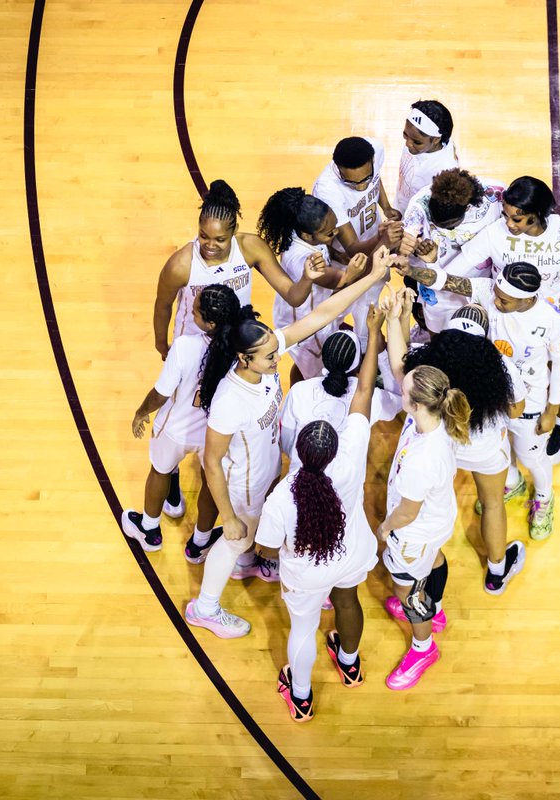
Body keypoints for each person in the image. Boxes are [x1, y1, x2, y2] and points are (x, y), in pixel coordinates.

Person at [183, 247, 393, 639]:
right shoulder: (229, 402)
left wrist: (370, 277)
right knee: (234, 539)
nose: (276, 358)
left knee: (244, 540)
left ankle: (244, 561)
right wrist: (227, 516)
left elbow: (323, 314)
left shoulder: (262, 351)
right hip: (242, 481)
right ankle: (205, 608)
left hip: (264, 470)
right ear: (244, 360)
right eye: (268, 357)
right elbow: (211, 463)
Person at [152, 180, 327, 517]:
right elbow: (162, 306)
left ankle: (209, 503)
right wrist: (162, 344)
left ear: (234, 231)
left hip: (232, 352)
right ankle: (171, 475)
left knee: (215, 428)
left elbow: (293, 295)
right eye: (204, 236)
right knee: (175, 422)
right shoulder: (181, 264)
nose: (210, 245)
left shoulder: (250, 248)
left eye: (219, 239)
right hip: (192, 353)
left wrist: (306, 277)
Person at [255, 305, 386, 722]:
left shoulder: (284, 495)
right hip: (352, 552)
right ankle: (349, 662)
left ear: (300, 453)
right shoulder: (349, 454)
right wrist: (374, 331)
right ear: (335, 446)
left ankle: (302, 695)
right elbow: (363, 391)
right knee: (348, 603)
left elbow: (265, 548)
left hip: (308, 570)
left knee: (302, 628)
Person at [414, 175, 560, 461]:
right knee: (508, 368)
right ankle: (509, 421)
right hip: (505, 314)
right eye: (506, 215)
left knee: (556, 366)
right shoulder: (495, 234)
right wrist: (432, 263)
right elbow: (454, 275)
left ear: (537, 215)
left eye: (517, 219)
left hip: (548, 317)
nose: (508, 224)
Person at [392, 261, 560, 541]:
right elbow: (446, 280)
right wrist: (408, 269)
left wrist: (552, 409)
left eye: (503, 300)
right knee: (501, 453)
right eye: (496, 293)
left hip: (528, 403)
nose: (494, 300)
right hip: (490, 399)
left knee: (531, 456)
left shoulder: (553, 320)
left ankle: (544, 498)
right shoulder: (489, 290)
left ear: (526, 299)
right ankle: (512, 483)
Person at [385, 294, 528, 594]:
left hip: (441, 446)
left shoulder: (428, 357)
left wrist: (394, 319)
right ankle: (497, 573)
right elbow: (516, 410)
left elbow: (400, 368)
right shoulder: (501, 364)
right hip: (486, 449)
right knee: (492, 504)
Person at [121, 285, 244, 560]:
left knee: (160, 471)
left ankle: (149, 530)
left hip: (175, 428)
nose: (190, 307)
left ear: (209, 323)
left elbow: (160, 394)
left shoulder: (185, 346)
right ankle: (199, 543)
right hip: (214, 434)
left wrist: (141, 412)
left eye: (196, 307)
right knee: (212, 484)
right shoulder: (240, 347)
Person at [376, 357, 471, 690]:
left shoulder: (422, 460)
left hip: (414, 532)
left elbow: (407, 512)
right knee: (435, 558)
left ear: (415, 404)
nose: (399, 391)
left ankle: (423, 647)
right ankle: (439, 610)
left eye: (403, 391)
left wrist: (386, 528)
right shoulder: (436, 420)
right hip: (438, 521)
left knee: (407, 591)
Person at [256, 187, 372, 382]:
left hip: (312, 309)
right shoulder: (301, 258)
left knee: (302, 367)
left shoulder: (305, 230)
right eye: (330, 233)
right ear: (308, 236)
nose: (335, 234)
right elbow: (341, 282)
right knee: (316, 376)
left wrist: (337, 255)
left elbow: (324, 246)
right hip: (305, 324)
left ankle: (297, 386)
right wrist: (354, 271)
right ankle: (302, 402)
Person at [312, 136, 402, 349]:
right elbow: (352, 249)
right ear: (338, 169)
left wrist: (386, 207)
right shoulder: (327, 189)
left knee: (368, 325)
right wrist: (383, 240)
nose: (361, 186)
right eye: (352, 182)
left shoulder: (375, 148)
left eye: (365, 179)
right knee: (329, 325)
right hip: (345, 265)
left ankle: (366, 358)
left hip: (376, 247)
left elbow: (376, 177)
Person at [399, 168, 504, 335]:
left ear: (468, 208)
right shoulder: (419, 204)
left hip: (477, 284)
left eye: (451, 225)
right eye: (437, 223)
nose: (446, 230)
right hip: (434, 280)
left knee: (480, 334)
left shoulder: (496, 194)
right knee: (438, 335)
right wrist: (404, 247)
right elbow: (405, 242)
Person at [278, 329, 401, 472]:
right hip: (347, 483)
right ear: (359, 363)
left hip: (300, 476)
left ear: (324, 359)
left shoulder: (299, 390)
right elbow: (397, 400)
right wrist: (381, 354)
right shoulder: (370, 397)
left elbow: (286, 440)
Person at [394, 100, 460, 213]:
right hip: (402, 206)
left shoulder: (446, 169)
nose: (408, 144)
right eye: (405, 135)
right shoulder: (417, 142)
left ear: (436, 139)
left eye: (416, 142)